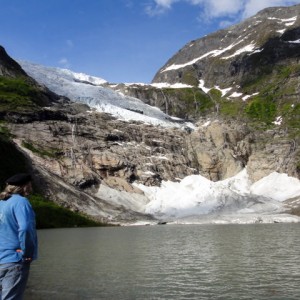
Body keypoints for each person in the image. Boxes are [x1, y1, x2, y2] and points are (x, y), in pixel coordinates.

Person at [0, 173, 38, 300]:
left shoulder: (1, 203)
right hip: (14, 259)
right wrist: (27, 253)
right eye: (30, 184)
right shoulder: (21, 202)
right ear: (25, 186)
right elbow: (25, 228)